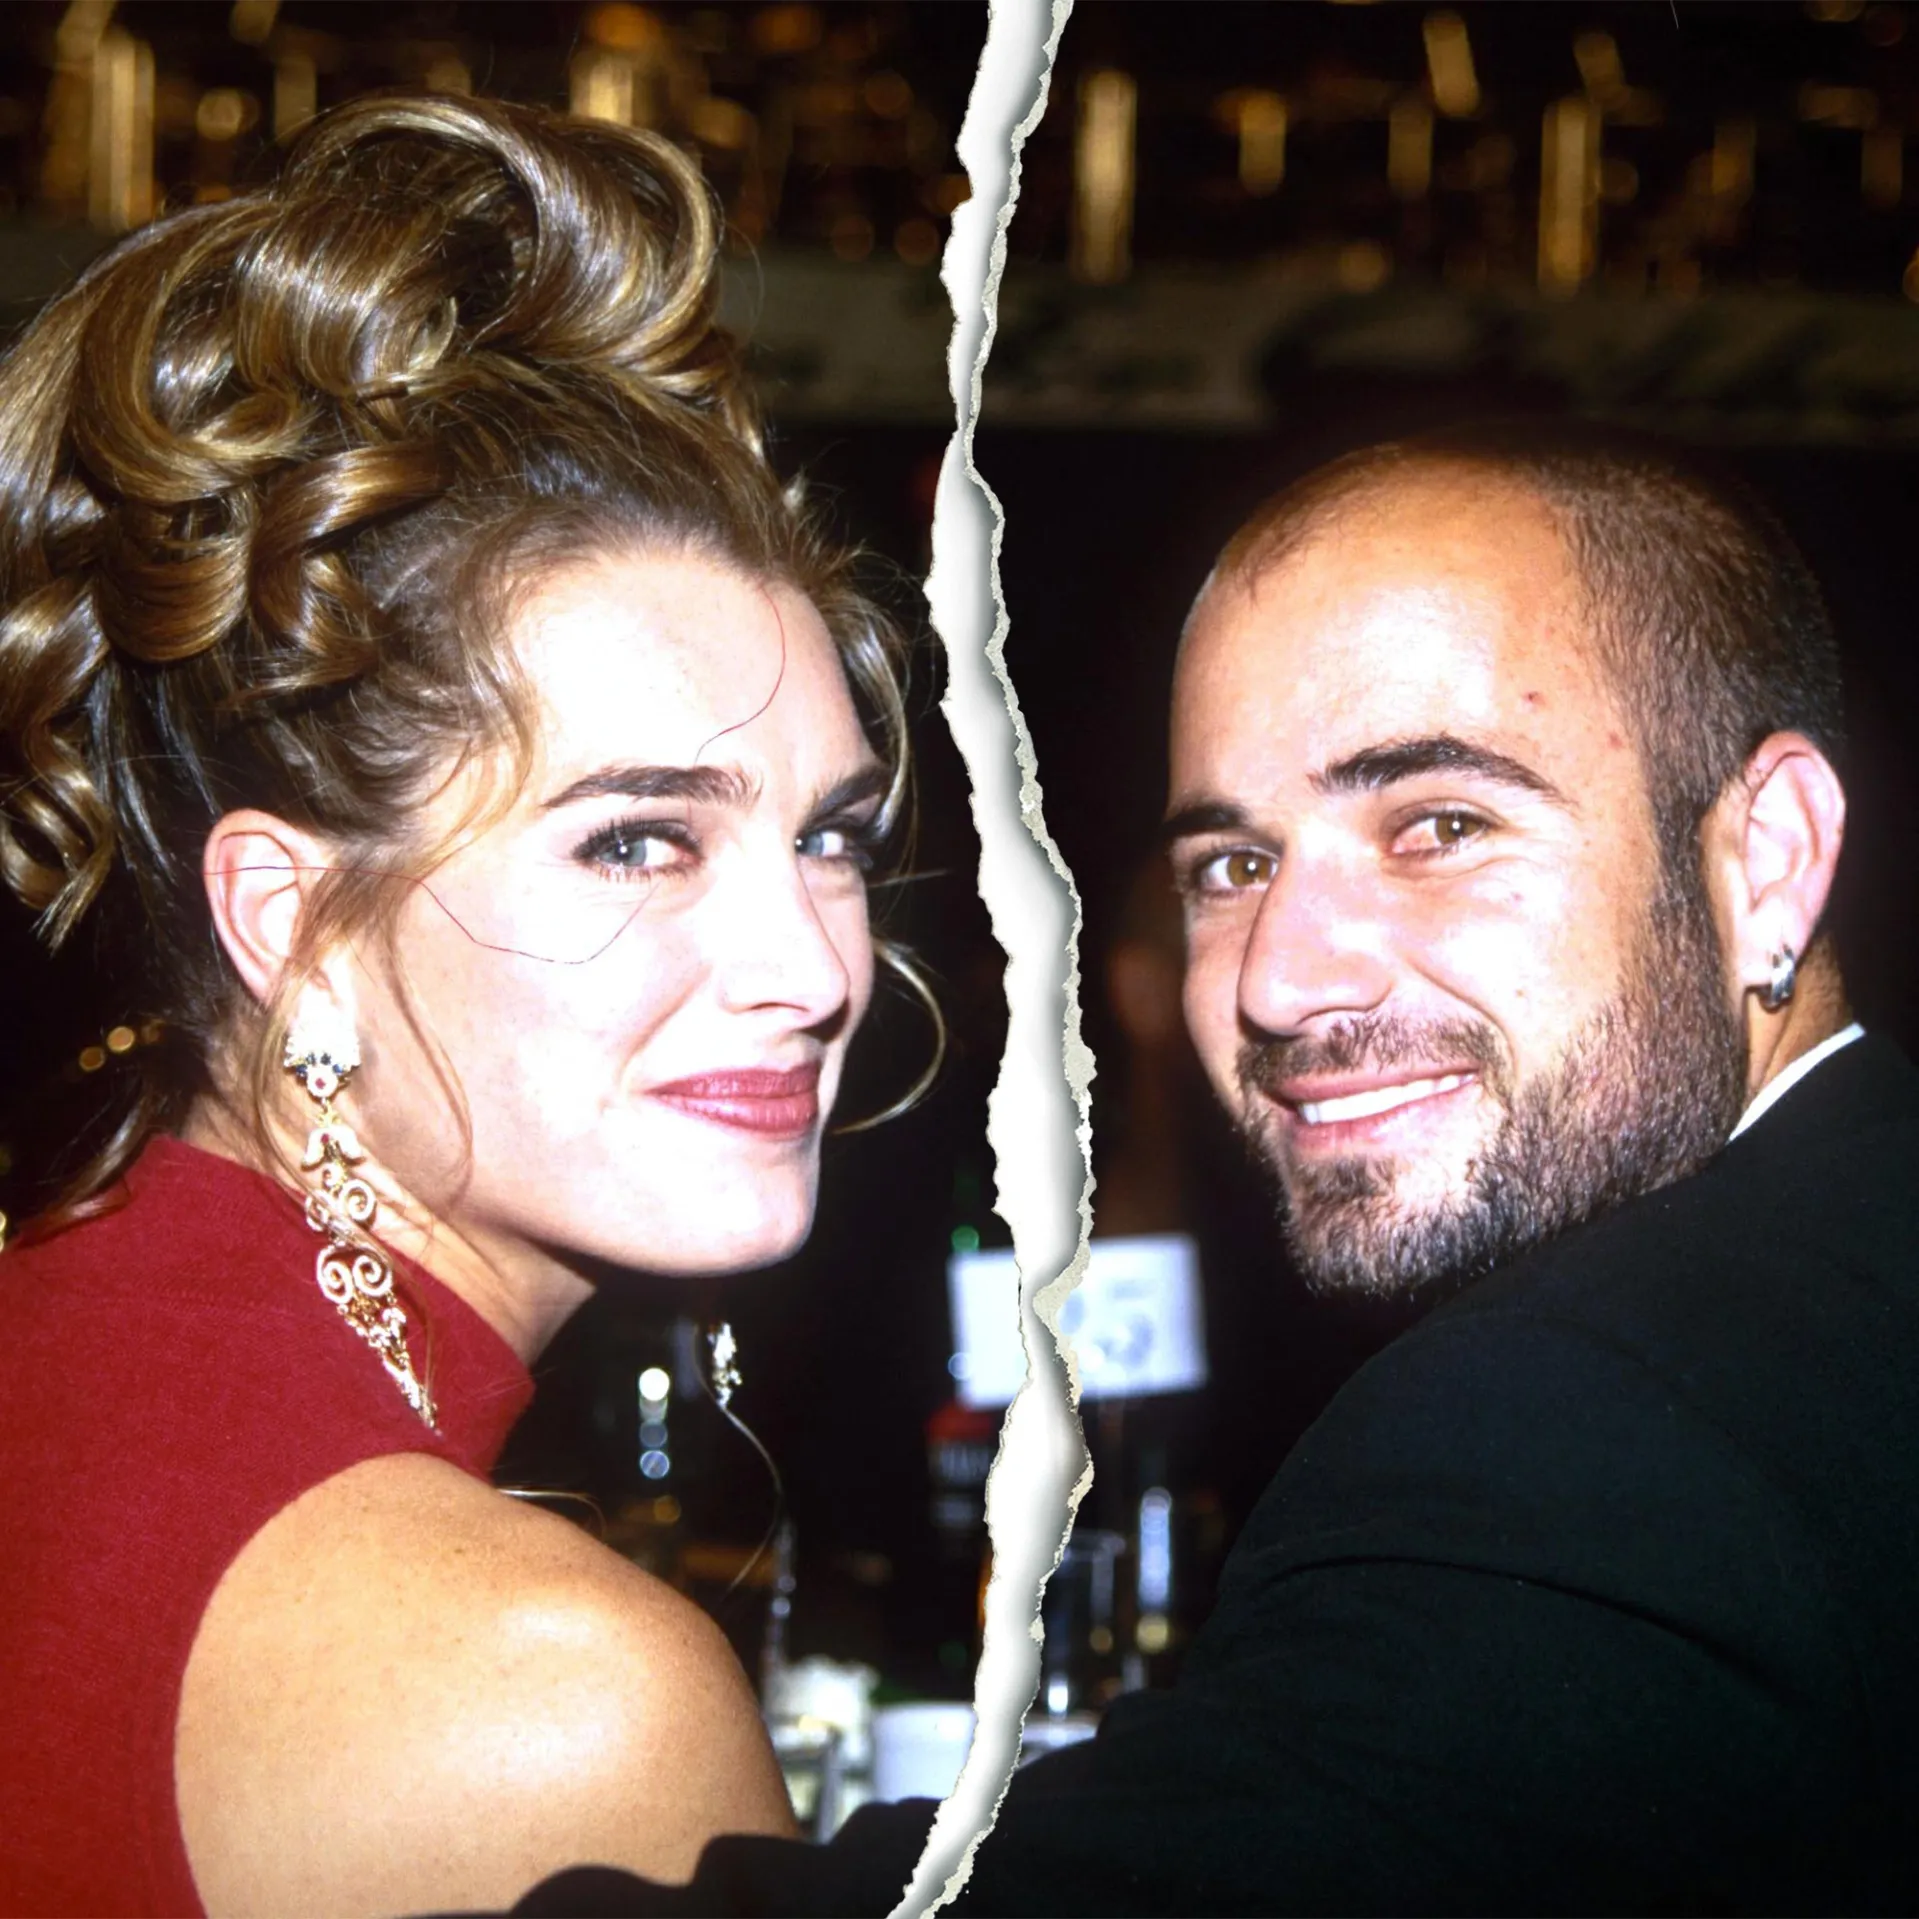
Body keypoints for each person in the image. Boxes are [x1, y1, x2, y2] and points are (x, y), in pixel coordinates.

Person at [516, 423, 1919, 1915]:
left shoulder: (1586, 1413)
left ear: (1768, 858)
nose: (1279, 980)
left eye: (1439, 826)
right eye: (1231, 868)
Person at [0, 93, 927, 1916]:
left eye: (829, 836)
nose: (818, 969)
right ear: (294, 922)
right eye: (637, 840)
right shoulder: (552, 1700)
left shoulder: (67, 1330)